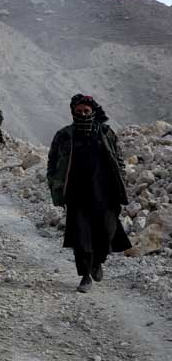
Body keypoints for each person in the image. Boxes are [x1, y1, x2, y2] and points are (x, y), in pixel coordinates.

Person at [46, 94, 131, 293]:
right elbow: (52, 162)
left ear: (93, 111)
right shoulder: (64, 135)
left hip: (105, 192)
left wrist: (121, 182)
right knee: (81, 236)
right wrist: (55, 185)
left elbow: (118, 160)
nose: (83, 114)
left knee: (106, 232)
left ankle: (98, 262)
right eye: (79, 112)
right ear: (73, 113)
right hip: (77, 194)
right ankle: (85, 276)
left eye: (86, 111)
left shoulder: (106, 132)